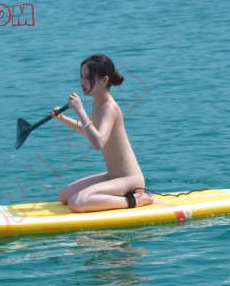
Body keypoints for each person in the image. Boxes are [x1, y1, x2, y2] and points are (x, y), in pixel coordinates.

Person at [50, 54, 154, 213]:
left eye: (87, 77)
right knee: (64, 195)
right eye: (81, 76)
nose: (82, 82)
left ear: (104, 81)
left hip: (130, 180)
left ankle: (134, 200)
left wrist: (80, 111)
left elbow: (98, 144)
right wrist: (64, 119)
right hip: (113, 176)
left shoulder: (109, 108)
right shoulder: (97, 104)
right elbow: (92, 133)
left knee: (76, 202)